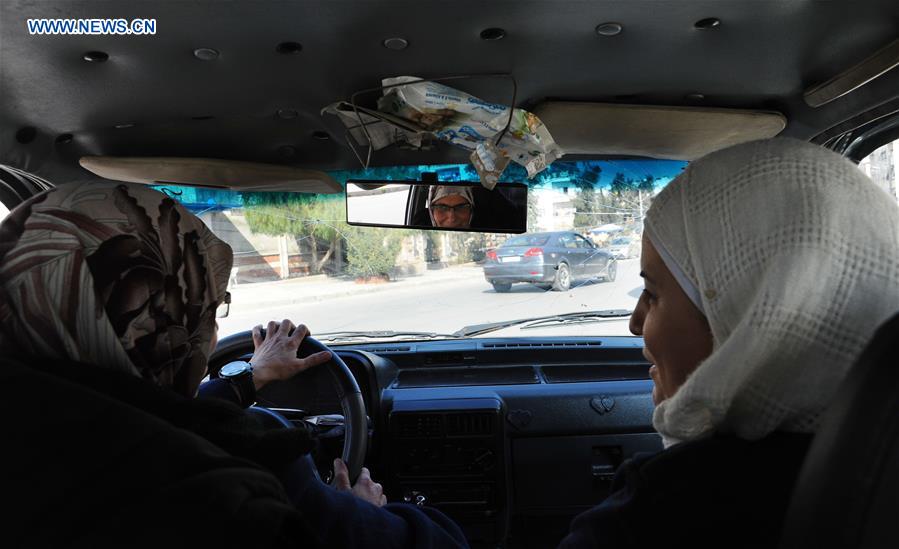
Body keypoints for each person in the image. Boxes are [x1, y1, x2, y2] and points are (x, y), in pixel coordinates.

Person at [0, 181, 468, 548]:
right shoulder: (230, 483)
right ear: (161, 329)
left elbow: (132, 410)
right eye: (204, 309)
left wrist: (249, 377)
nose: (214, 333)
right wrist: (358, 512)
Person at [558, 138, 899, 548]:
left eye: (652, 294)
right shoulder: (876, 463)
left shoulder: (673, 504)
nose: (635, 324)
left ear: (750, 311)